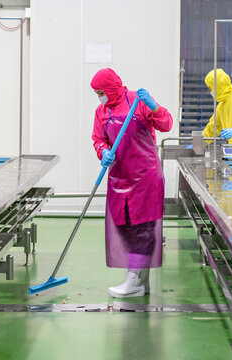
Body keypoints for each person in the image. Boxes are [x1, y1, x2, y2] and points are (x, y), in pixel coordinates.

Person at [91, 68, 173, 298]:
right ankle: (140, 281)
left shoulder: (138, 101)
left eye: (101, 92)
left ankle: (134, 280)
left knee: (143, 229)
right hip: (119, 177)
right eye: (96, 93)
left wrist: (154, 106)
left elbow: (166, 124)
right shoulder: (101, 111)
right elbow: (98, 139)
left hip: (145, 176)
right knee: (123, 226)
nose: (99, 96)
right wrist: (103, 151)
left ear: (110, 88)